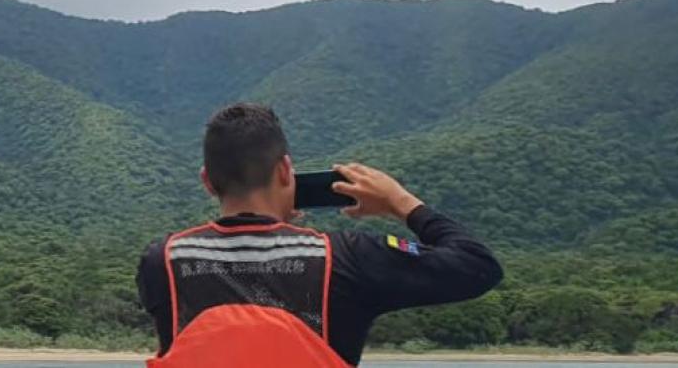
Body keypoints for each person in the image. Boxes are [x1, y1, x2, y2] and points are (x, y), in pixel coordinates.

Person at [136, 103, 502, 367]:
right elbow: (477, 266)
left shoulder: (161, 262)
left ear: (207, 181)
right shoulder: (345, 257)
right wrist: (400, 201)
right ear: (284, 171)